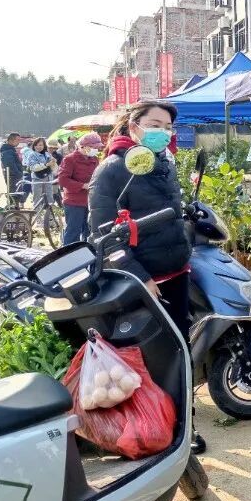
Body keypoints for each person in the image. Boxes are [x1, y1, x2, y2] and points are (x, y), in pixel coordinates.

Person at [88, 100, 205, 454]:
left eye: (167, 127)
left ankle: (184, 425)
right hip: (141, 284)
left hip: (176, 272)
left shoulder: (162, 163)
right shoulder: (112, 170)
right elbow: (104, 235)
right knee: (151, 359)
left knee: (180, 351)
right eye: (154, 124)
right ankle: (154, 431)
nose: (162, 133)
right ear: (133, 125)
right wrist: (140, 277)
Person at [57, 132, 102, 245]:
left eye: (97, 148)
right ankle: (69, 254)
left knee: (89, 232)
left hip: (90, 201)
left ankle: (88, 254)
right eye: (94, 147)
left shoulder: (94, 160)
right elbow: (63, 180)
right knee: (73, 232)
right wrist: (82, 185)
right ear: (84, 146)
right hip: (74, 202)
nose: (96, 150)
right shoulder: (69, 159)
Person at [22, 137, 55, 221]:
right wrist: (46, 165)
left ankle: (51, 219)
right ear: (34, 146)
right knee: (37, 199)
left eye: (41, 145)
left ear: (44, 146)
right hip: (37, 179)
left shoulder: (47, 154)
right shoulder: (32, 155)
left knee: (50, 198)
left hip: (48, 178)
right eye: (36, 145)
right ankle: (38, 219)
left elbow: (54, 168)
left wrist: (53, 164)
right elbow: (34, 168)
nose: (38, 147)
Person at [0, 133, 24, 203]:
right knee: (14, 196)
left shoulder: (10, 149)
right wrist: (19, 174)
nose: (19, 142)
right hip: (13, 177)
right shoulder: (7, 151)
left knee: (15, 195)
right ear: (11, 140)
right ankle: (12, 208)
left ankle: (14, 208)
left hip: (13, 176)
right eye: (17, 140)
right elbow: (10, 165)